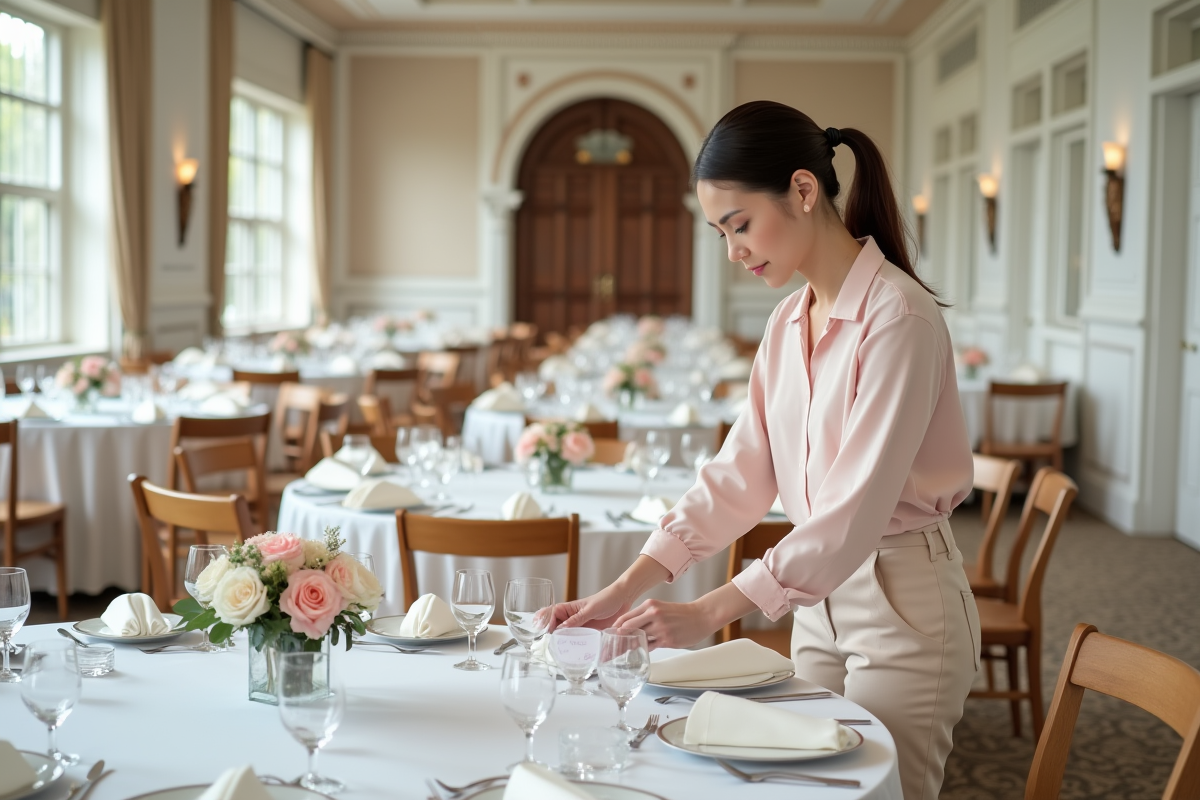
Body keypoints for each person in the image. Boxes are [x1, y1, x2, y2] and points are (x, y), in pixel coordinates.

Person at [550, 100, 980, 800]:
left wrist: (705, 612)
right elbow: (738, 476)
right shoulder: (787, 321)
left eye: (739, 224)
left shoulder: (899, 319)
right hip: (818, 604)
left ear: (804, 191)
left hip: (904, 606)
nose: (733, 251)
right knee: (799, 790)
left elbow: (850, 515)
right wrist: (621, 589)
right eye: (720, 232)